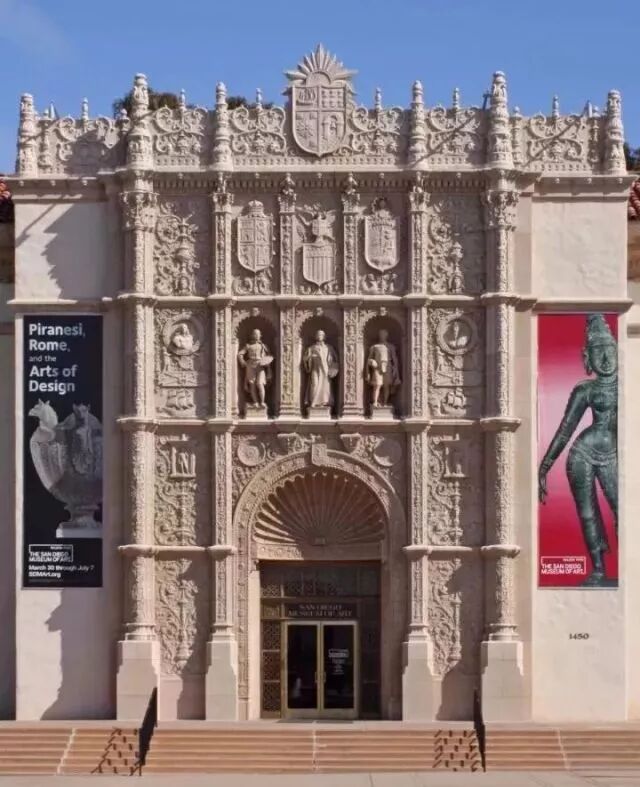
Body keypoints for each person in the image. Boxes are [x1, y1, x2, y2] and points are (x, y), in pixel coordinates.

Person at [538, 314, 618, 586]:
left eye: (609, 350)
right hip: (582, 454)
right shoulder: (585, 390)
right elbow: (565, 429)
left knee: (623, 509)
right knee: (587, 513)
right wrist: (545, 466)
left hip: (614, 454)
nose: (605, 358)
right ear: (588, 358)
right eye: (598, 352)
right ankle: (598, 569)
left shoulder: (629, 384)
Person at [237, 329, 273, 409]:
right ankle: (255, 402)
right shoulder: (248, 346)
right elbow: (240, 354)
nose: (256, 336)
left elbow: (269, 356)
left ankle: (262, 402)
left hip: (260, 365)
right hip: (250, 365)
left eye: (258, 334)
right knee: (252, 384)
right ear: (252, 336)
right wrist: (243, 362)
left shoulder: (263, 346)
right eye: (255, 334)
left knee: (260, 383)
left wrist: (268, 365)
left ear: (260, 335)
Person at [304, 330, 339, 408]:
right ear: (316, 336)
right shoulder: (311, 348)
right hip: (315, 369)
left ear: (324, 337)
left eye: (321, 335)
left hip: (325, 370)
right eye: (318, 334)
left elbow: (335, 359)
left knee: (325, 386)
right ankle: (313, 402)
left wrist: (332, 368)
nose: (319, 336)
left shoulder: (329, 347)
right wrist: (310, 357)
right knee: (314, 384)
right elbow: (305, 359)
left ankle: (324, 402)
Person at [366, 329, 400, 408]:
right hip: (377, 367)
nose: (382, 336)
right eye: (381, 334)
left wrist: (395, 369)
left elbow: (394, 359)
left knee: (386, 386)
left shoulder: (391, 346)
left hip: (388, 367)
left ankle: (385, 403)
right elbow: (369, 359)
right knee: (377, 384)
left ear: (386, 336)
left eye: (383, 334)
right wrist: (372, 361)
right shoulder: (375, 347)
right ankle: (375, 402)